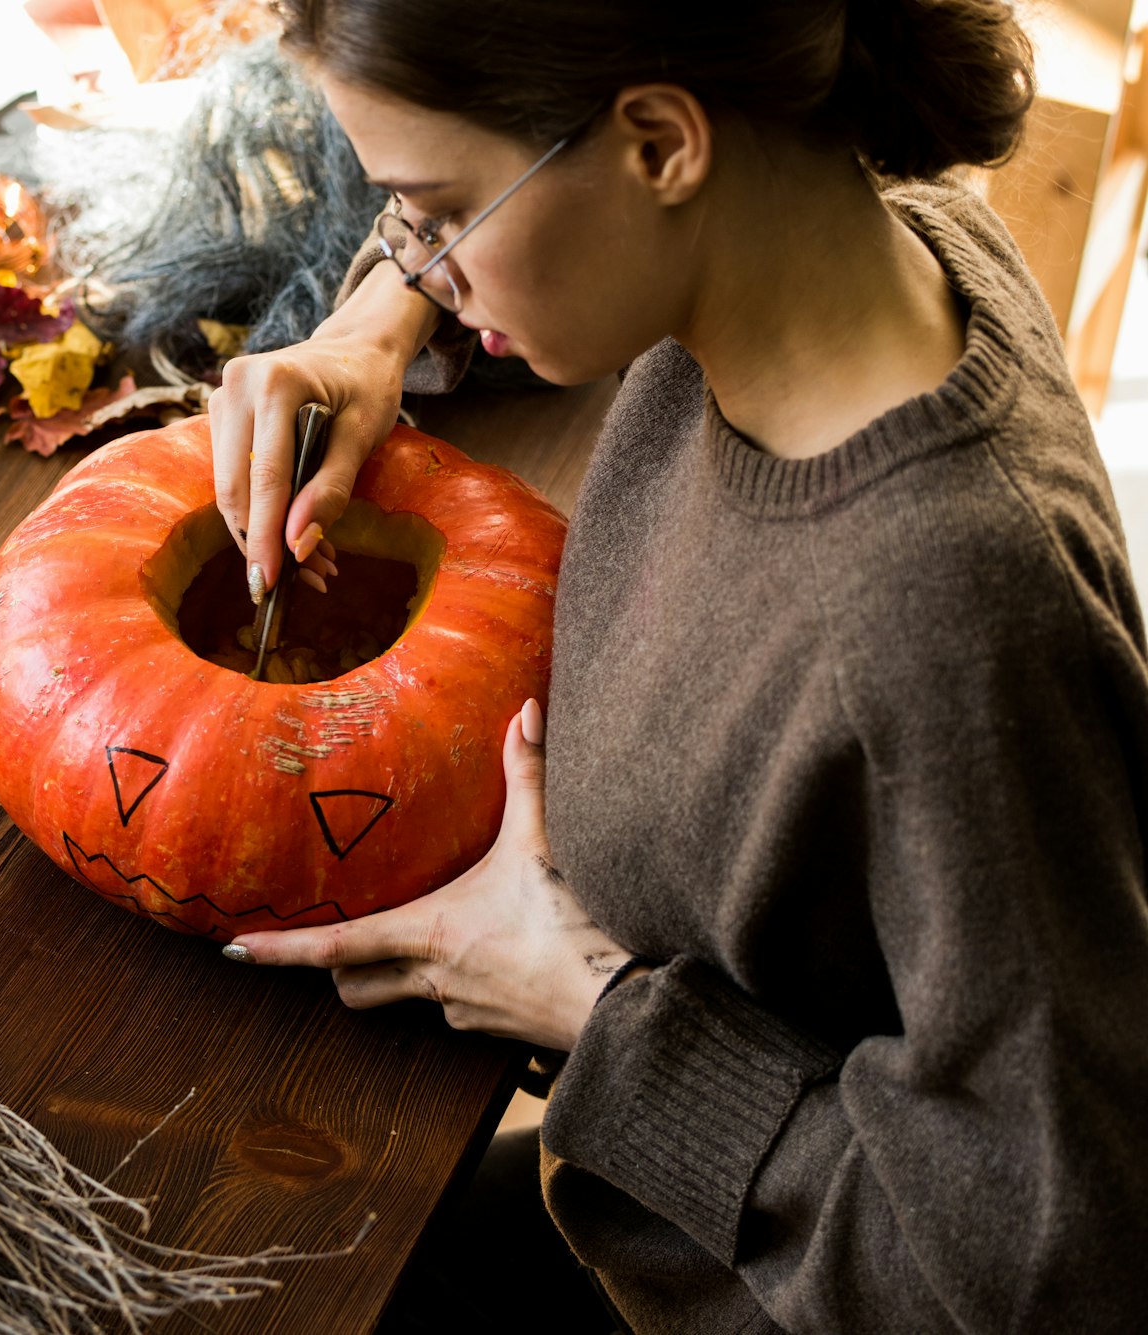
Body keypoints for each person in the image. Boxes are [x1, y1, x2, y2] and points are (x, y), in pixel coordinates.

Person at [209, 2, 1148, 1331]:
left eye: (433, 211)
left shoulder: (950, 621)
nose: (418, 260)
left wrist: (590, 1011)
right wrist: (377, 320)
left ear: (659, 143)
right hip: (624, 1199)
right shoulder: (860, 223)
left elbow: (1054, 1276)